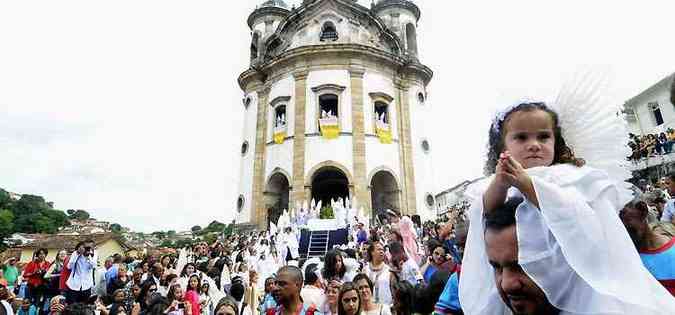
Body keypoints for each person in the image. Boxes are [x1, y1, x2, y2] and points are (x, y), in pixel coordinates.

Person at [460, 100, 675, 314]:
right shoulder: (497, 183)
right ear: (503, 148)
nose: (534, 144)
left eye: (543, 136)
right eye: (521, 137)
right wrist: (501, 182)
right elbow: (483, 212)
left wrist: (529, 185)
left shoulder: (568, 177)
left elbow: (579, 221)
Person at [620, 199, 675, 295]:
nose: (625, 236)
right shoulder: (626, 259)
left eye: (629, 228)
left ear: (643, 212)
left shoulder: (671, 248)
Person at [65, 240, 97, 305]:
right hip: (74, 285)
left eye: (90, 247)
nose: (88, 249)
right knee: (71, 306)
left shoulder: (94, 254)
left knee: (85, 307)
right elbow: (69, 267)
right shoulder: (76, 253)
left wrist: (89, 257)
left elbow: (93, 266)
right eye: (86, 247)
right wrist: (77, 254)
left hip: (86, 285)